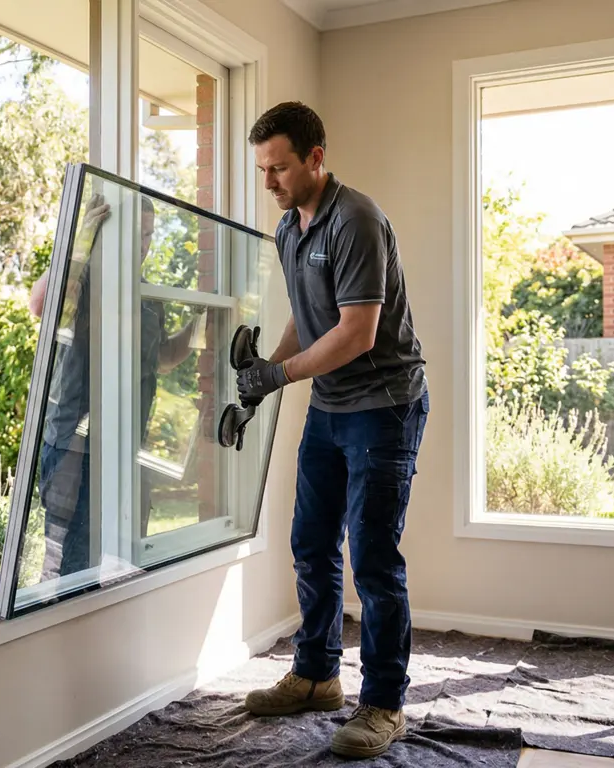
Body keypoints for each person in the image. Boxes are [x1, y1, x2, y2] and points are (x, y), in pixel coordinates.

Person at [236, 101, 429, 759]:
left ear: (316, 158)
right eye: (263, 169)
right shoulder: (290, 227)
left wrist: (280, 374)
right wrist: (268, 371)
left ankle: (385, 704)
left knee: (372, 558)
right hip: (330, 407)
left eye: (279, 168)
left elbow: (356, 332)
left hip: (383, 405)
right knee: (311, 543)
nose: (269, 182)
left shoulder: (357, 221)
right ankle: (317, 676)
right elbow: (308, 315)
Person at [28, 193, 203, 579]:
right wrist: (82, 237)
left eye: (148, 235)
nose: (143, 244)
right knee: (69, 573)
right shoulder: (87, 276)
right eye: (136, 234)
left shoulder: (148, 296)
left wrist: (199, 326)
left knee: (123, 569)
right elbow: (41, 304)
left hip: (128, 451)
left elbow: (162, 359)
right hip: (77, 452)